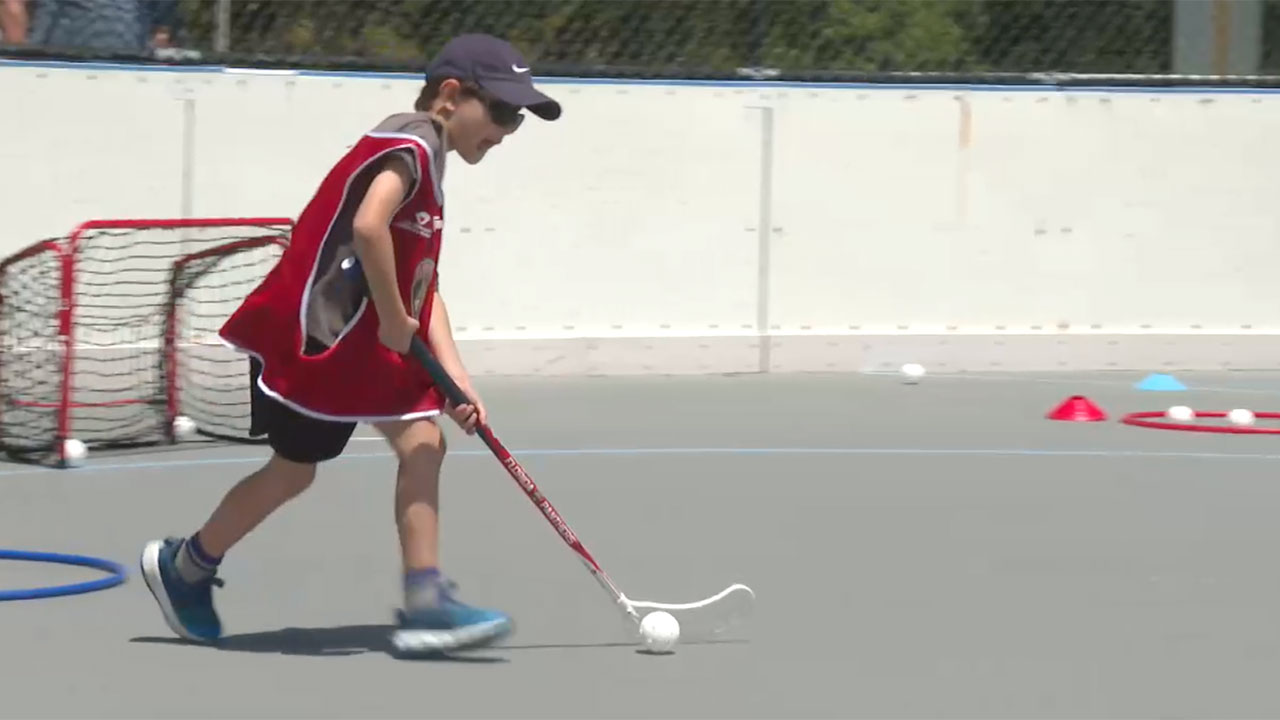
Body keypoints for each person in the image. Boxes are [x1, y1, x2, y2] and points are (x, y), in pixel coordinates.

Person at [140, 34, 562, 655]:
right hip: (321, 340)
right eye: (500, 111)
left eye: (518, 117)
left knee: (424, 441)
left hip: (364, 348)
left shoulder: (430, 157)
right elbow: (368, 226)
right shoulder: (413, 143)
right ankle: (185, 567)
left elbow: (426, 286)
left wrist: (456, 378)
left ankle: (424, 598)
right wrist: (393, 318)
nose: (508, 128)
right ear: (451, 96)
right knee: (293, 473)